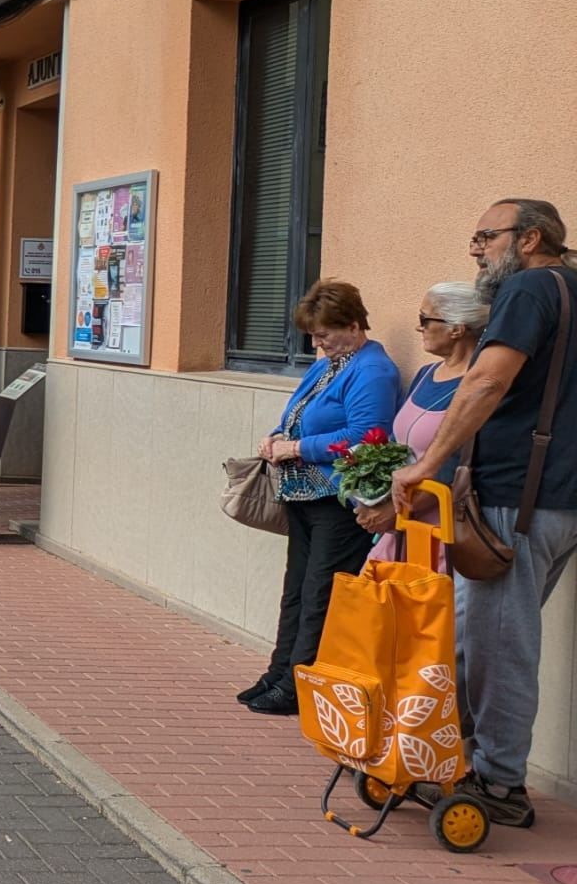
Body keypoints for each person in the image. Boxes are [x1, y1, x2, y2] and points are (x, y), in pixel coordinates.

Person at [391, 199, 577, 826]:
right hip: (556, 501)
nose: (475, 248)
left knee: (499, 644)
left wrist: (424, 464)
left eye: (485, 236)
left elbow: (486, 382)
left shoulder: (528, 289)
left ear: (529, 239)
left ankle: (500, 783)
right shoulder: (571, 292)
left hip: (514, 500)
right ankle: (452, 750)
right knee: (482, 632)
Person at [238, 279, 401, 716]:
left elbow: (367, 437)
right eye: (312, 334)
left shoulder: (372, 370)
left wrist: (296, 448)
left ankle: (299, 685)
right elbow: (300, 412)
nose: (317, 341)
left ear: (353, 324)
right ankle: (279, 672)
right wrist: (276, 436)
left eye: (324, 333)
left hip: (338, 499)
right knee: (296, 590)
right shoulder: (329, 363)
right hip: (304, 495)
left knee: (320, 595)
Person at [355, 282, 487, 572]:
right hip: (401, 525)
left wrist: (394, 509)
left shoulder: (478, 385)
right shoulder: (426, 374)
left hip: (442, 530)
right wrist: (370, 499)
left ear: (457, 328)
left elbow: (463, 464)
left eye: (424, 319)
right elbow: (395, 446)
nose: (420, 328)